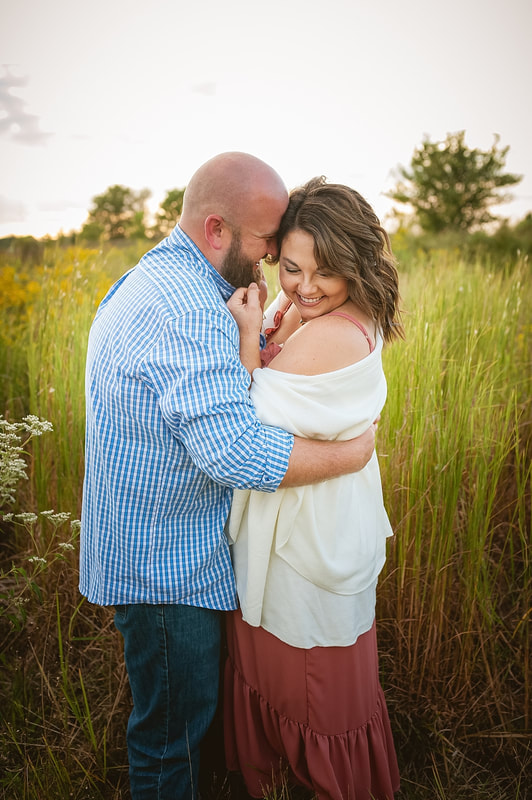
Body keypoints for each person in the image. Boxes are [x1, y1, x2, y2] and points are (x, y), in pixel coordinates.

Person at [79, 153, 379, 800]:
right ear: (218, 230)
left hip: (161, 550)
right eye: (269, 241)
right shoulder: (185, 309)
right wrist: (348, 456)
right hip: (167, 570)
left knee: (183, 730)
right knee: (171, 745)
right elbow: (235, 452)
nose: (274, 257)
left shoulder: (159, 279)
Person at [224, 176, 404, 800]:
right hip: (299, 515)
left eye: (326, 272)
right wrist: (277, 317)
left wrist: (251, 338)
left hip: (308, 536)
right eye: (293, 268)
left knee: (311, 680)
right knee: (281, 671)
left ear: (356, 262)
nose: (305, 287)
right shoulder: (310, 308)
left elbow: (244, 423)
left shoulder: (333, 331)